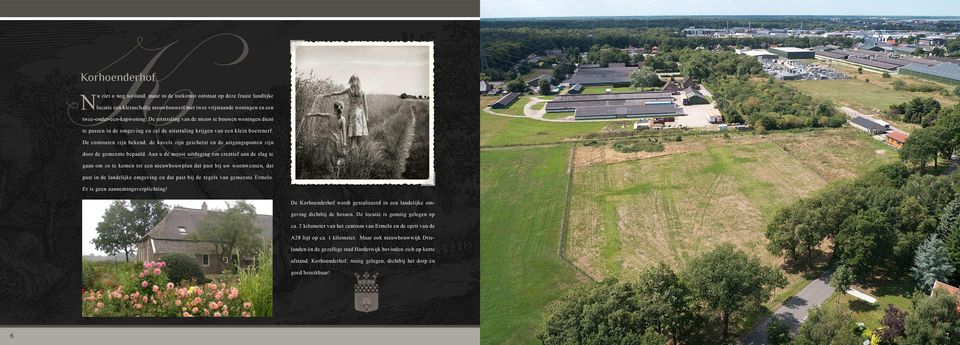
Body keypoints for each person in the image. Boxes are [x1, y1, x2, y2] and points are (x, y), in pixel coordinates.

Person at [319, 75, 368, 148]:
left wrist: (326, 95)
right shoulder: (362, 92)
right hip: (360, 114)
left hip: (352, 113)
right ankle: (358, 155)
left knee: (353, 135)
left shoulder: (349, 90)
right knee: (359, 134)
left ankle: (352, 151)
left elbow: (337, 93)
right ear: (358, 81)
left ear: (351, 81)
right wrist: (367, 117)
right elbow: (365, 106)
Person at [299, 101, 347, 167]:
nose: (338, 114)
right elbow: (320, 114)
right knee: (331, 154)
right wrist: (310, 114)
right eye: (337, 112)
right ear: (334, 110)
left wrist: (344, 142)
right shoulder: (330, 116)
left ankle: (338, 166)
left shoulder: (343, 119)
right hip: (331, 138)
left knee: (340, 154)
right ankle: (333, 167)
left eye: (340, 112)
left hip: (339, 139)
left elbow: (344, 130)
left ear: (342, 110)